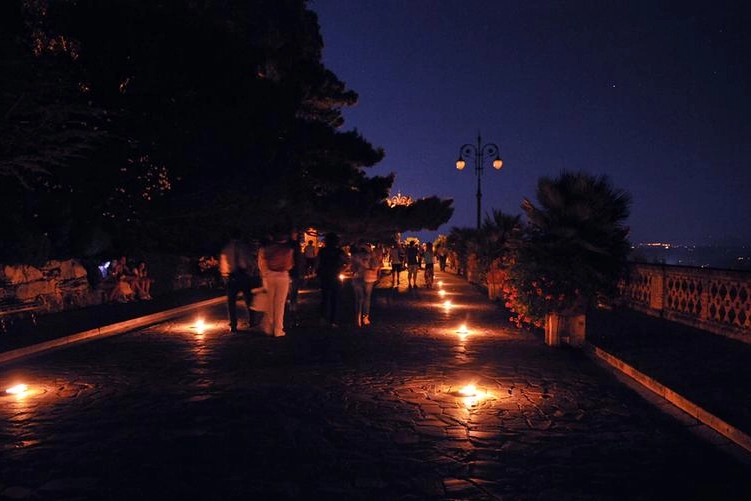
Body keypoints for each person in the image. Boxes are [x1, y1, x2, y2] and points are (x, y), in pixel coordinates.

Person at [258, 230, 294, 337]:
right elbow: (290, 265)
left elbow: (262, 264)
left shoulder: (266, 249)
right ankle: (278, 329)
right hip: (282, 276)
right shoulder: (288, 250)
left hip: (269, 275)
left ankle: (269, 326)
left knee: (270, 302)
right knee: (280, 303)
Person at [220, 229, 254, 333]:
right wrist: (250, 272)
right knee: (248, 299)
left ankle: (233, 324)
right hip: (242, 274)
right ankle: (252, 319)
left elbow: (223, 263)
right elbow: (249, 260)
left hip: (231, 276)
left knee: (231, 302)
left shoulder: (226, 248)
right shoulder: (244, 247)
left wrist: (224, 276)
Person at [316, 232, 348, 327]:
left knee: (324, 298)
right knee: (335, 299)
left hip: (324, 276)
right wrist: (342, 269)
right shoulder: (339, 252)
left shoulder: (322, 251)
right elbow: (348, 262)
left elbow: (317, 263)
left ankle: (322, 318)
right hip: (336, 276)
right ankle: (333, 320)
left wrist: (317, 272)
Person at [350, 241, 381, 327]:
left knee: (359, 298)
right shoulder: (371, 256)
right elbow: (376, 265)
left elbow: (352, 268)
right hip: (369, 277)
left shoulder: (355, 256)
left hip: (357, 277)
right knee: (367, 297)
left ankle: (358, 317)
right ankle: (365, 316)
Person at [286, 229, 306, 327]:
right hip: (293, 271)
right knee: (293, 294)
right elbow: (299, 259)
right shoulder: (294, 245)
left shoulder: (287, 244)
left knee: (289, 294)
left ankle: (289, 313)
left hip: (288, 271)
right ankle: (292, 312)